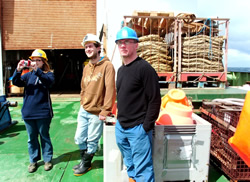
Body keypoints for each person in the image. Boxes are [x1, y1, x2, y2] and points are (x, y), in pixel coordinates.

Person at [115, 26, 161, 182]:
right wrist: (118, 121)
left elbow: (154, 100)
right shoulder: (121, 70)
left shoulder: (145, 69)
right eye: (120, 42)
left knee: (144, 170)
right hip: (121, 127)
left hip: (138, 129)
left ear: (136, 45)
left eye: (127, 42)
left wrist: (145, 127)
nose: (123, 45)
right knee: (130, 164)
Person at [73, 34, 116, 176]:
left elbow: (110, 89)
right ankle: (83, 160)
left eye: (91, 46)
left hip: (97, 112)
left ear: (98, 48)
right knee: (79, 137)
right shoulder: (87, 67)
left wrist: (105, 111)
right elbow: (83, 87)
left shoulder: (107, 66)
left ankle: (86, 164)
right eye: (86, 47)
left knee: (92, 140)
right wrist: (82, 100)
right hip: (84, 109)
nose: (88, 49)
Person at [12, 49, 54, 173]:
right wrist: (18, 70)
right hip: (28, 113)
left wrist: (38, 71)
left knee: (44, 136)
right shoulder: (28, 75)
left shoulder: (48, 74)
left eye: (38, 60)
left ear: (43, 62)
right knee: (31, 138)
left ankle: (47, 159)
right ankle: (33, 161)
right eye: (33, 60)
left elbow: (49, 82)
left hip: (43, 112)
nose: (35, 62)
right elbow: (16, 82)